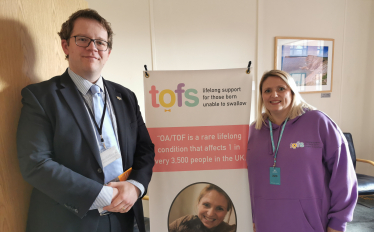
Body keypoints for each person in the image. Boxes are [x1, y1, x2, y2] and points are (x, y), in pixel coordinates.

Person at [16, 9, 154, 232]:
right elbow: (36, 163)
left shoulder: (125, 97)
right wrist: (104, 196)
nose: (92, 48)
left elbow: (145, 150)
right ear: (65, 46)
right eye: (82, 39)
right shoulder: (40, 97)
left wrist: (135, 187)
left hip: (124, 219)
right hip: (68, 222)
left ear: (108, 52)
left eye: (100, 42)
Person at [246, 70, 357, 232]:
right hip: (265, 222)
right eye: (267, 91)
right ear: (261, 96)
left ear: (292, 91)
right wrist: (248, 216)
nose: (274, 94)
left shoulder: (318, 122)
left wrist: (338, 222)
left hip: (309, 223)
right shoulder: (253, 131)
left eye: (281, 89)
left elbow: (342, 173)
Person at [169, 184, 236, 232]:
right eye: (206, 204)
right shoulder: (184, 220)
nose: (210, 214)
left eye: (219, 208)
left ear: (226, 211)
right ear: (198, 204)